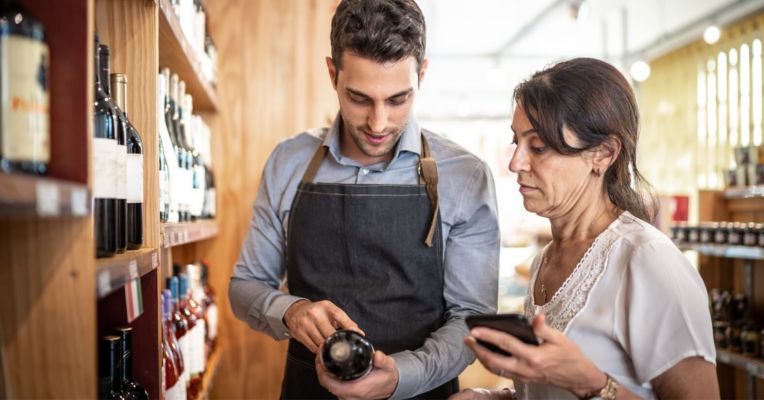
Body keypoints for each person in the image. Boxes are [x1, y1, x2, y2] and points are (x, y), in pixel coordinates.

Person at [228, 0, 500, 398]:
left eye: (397, 99)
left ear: (421, 74)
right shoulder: (289, 162)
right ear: (332, 73)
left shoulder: (464, 176)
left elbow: (470, 318)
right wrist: (291, 311)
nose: (378, 123)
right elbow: (245, 286)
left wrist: (401, 377)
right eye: (359, 98)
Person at [452, 58, 718, 400]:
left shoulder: (647, 260)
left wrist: (590, 382)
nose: (516, 162)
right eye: (516, 142)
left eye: (538, 147)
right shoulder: (544, 262)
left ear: (603, 154)